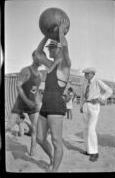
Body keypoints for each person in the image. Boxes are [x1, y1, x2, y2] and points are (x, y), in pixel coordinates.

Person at [35, 18, 71, 172]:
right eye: (48, 48)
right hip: (45, 106)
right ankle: (52, 158)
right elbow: (38, 53)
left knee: (56, 141)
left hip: (56, 106)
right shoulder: (50, 65)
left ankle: (54, 170)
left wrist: (61, 32)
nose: (48, 51)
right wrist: (46, 35)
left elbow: (65, 47)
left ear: (57, 49)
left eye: (51, 48)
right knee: (40, 138)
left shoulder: (65, 65)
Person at [5, 50, 47, 156]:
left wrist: (38, 102)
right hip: (21, 103)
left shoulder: (40, 75)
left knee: (35, 128)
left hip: (33, 106)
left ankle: (32, 152)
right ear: (34, 57)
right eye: (40, 57)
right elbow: (18, 87)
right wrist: (27, 101)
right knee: (9, 125)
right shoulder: (25, 70)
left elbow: (36, 91)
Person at [80, 67, 113, 162]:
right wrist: (81, 106)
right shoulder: (84, 82)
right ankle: (88, 150)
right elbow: (82, 95)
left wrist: (100, 98)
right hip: (86, 105)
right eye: (85, 73)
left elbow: (109, 91)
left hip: (94, 106)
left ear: (92, 74)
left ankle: (95, 152)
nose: (85, 75)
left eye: (87, 73)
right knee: (85, 129)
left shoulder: (97, 81)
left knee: (91, 129)